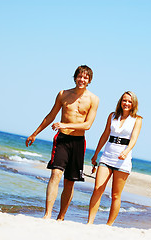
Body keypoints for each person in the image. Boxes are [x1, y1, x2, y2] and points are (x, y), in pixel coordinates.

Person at [25, 65, 99, 220]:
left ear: (89, 80)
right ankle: (47, 214)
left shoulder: (93, 99)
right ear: (75, 77)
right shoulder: (63, 94)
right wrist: (35, 133)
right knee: (55, 174)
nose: (82, 80)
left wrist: (65, 124)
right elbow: (51, 115)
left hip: (78, 142)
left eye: (85, 77)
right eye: (80, 76)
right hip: (62, 140)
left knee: (70, 181)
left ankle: (61, 217)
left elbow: (88, 125)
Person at [87, 91, 142, 225]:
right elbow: (105, 135)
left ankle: (108, 225)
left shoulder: (137, 119)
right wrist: (96, 154)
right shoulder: (112, 116)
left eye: (129, 101)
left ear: (133, 103)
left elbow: (134, 139)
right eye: (124, 100)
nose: (126, 103)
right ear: (120, 101)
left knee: (115, 195)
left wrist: (127, 151)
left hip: (122, 160)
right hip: (107, 156)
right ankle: (90, 222)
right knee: (97, 189)